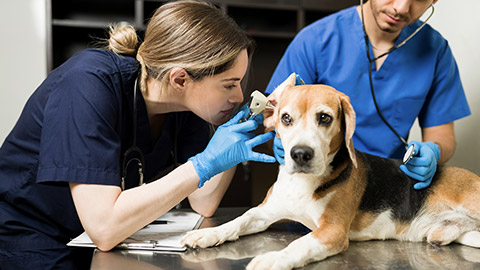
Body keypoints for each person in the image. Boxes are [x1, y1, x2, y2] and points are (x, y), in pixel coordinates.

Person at [0, 1, 275, 269]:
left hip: (97, 241)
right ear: (180, 79)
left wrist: (230, 146)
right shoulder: (87, 84)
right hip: (29, 236)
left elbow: (203, 202)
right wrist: (204, 164)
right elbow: (105, 227)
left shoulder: (184, 106)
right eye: (229, 85)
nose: (239, 96)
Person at [265, 0, 470, 190]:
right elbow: (271, 117)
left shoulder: (435, 50)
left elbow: (442, 135)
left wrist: (433, 152)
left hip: (388, 189)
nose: (401, 8)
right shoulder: (314, 41)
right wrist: (277, 136)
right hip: (318, 185)